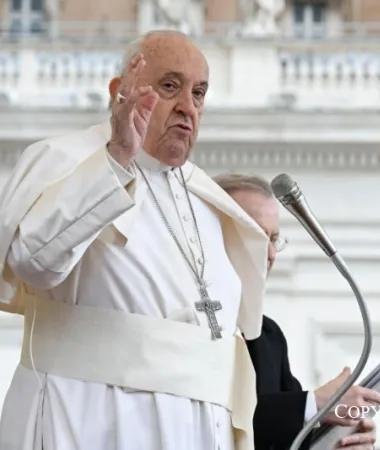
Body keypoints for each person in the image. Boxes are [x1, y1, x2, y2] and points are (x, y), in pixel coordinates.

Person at [0, 30, 269, 450]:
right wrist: (117, 158)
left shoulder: (205, 197)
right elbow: (33, 261)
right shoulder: (64, 160)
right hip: (92, 422)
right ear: (118, 92)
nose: (187, 107)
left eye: (198, 94)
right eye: (169, 86)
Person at [213, 174, 380, 450]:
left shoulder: (269, 335)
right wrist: (317, 402)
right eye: (258, 235)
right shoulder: (188, 323)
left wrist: (338, 440)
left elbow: (287, 435)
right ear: (213, 235)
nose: (271, 254)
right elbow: (217, 421)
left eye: (275, 239)